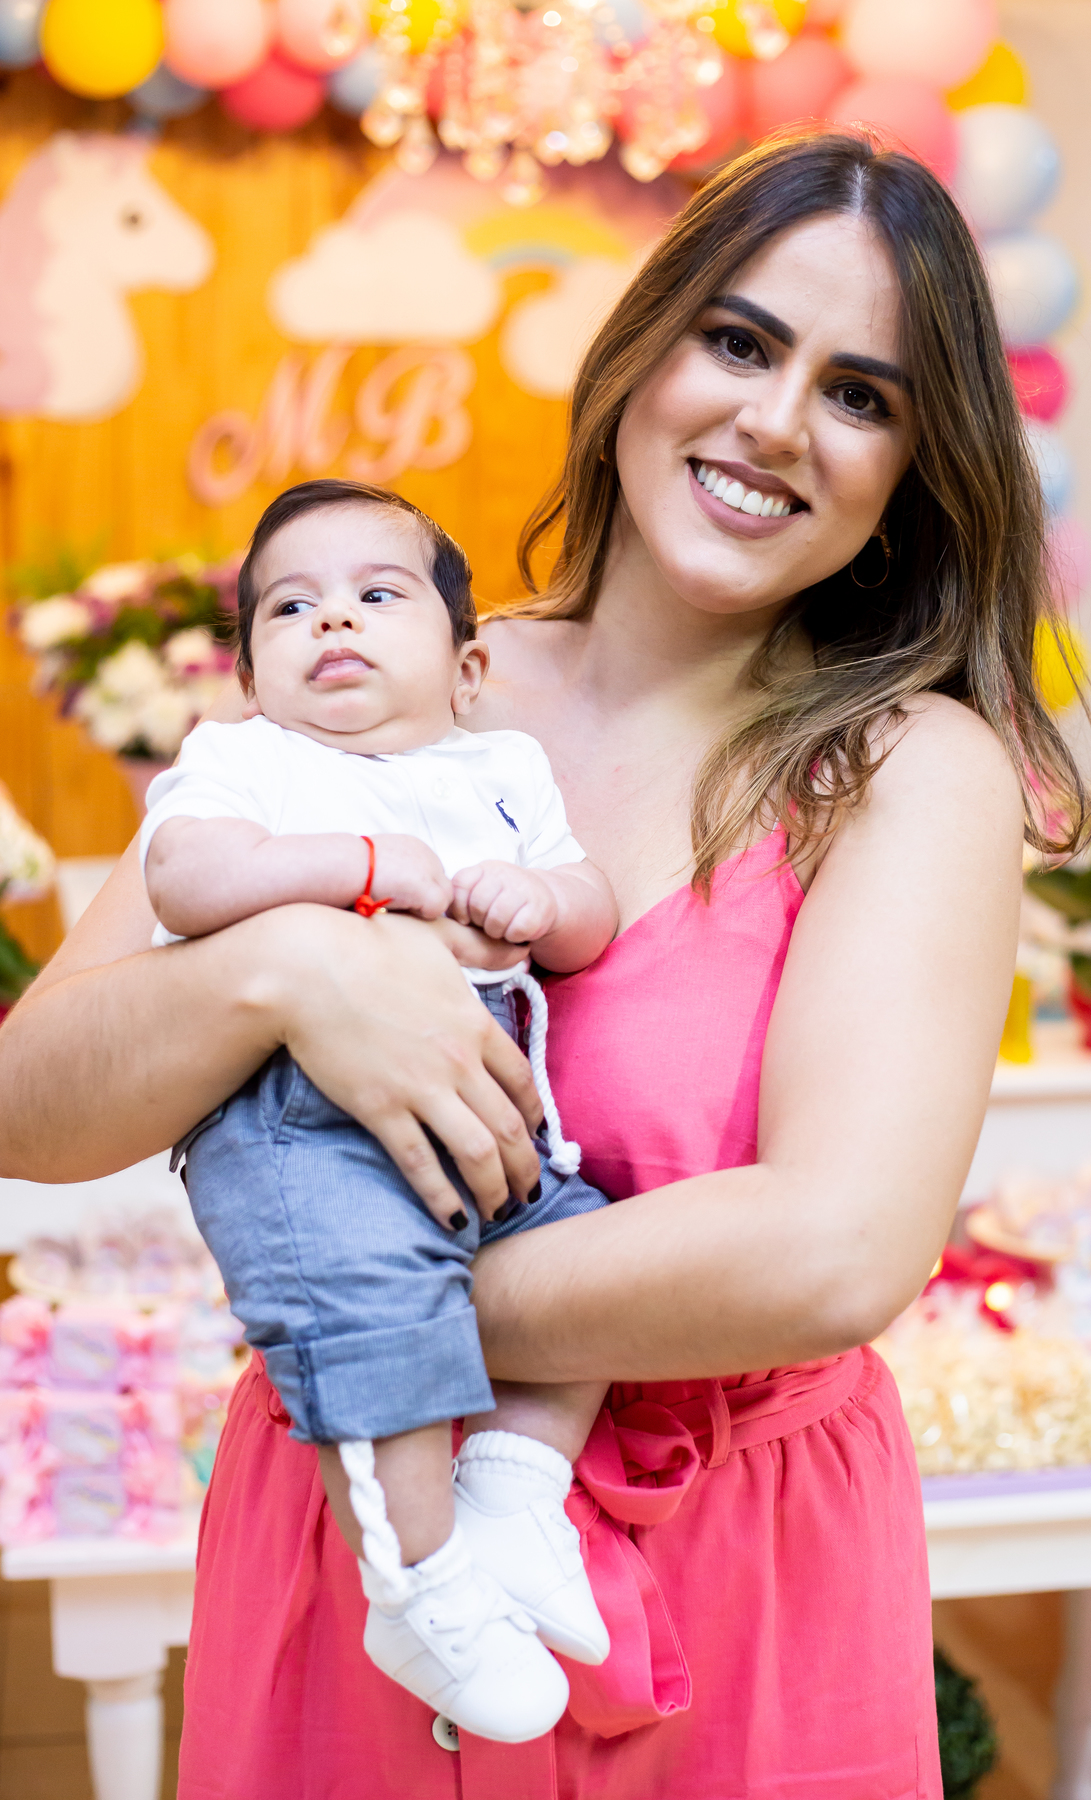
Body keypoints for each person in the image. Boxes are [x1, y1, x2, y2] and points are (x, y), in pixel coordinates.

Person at [0, 131, 1091, 1798]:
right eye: (740, 341)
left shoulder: (905, 771)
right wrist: (281, 974)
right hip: (360, 1539)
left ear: (913, 467)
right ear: (643, 349)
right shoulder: (385, 683)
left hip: (739, 1573)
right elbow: (30, 1103)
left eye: (860, 395)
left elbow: (836, 1250)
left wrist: (361, 1312)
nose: (776, 421)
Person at [140, 478, 617, 1741]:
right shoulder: (249, 762)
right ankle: (417, 1585)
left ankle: (511, 1494)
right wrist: (355, 867)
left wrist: (545, 901)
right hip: (305, 1130)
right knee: (373, 1322)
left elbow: (587, 910)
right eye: (291, 608)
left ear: (466, 669)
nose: (333, 622)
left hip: (491, 1118)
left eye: (376, 595)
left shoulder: (502, 768)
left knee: (592, 1245)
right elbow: (185, 878)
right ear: (252, 679)